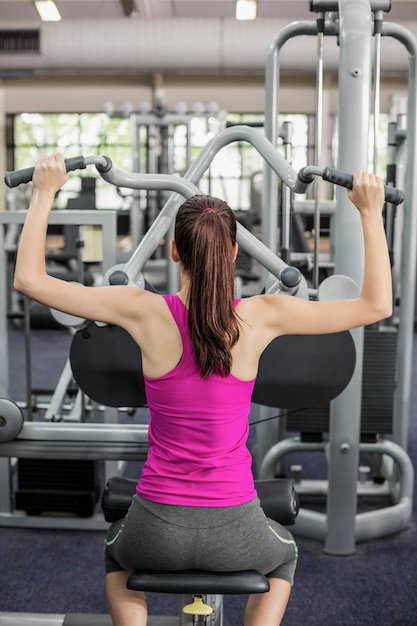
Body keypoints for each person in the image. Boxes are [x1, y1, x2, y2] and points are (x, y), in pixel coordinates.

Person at [13, 153, 392, 626]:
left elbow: (28, 279)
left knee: (116, 557)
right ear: (234, 253)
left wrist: (45, 191)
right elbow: (377, 304)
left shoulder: (141, 309)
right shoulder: (263, 314)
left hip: (155, 525)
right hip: (237, 525)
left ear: (174, 251)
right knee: (284, 556)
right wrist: (369, 211)